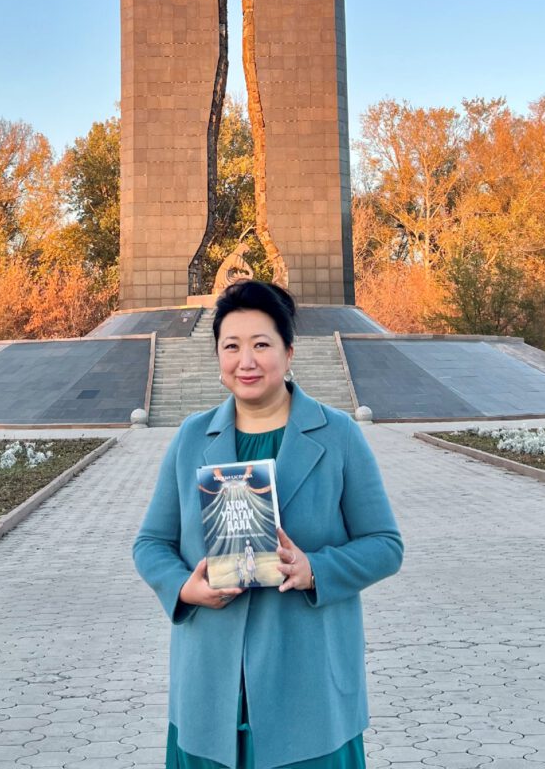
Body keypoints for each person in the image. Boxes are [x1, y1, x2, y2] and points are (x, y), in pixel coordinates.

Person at [133, 281, 403, 769]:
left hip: (309, 694)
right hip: (209, 694)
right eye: (231, 346)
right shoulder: (193, 437)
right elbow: (151, 543)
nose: (246, 360)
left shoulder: (338, 435)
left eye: (261, 344)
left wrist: (314, 569)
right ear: (218, 357)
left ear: (289, 351)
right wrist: (183, 589)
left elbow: (385, 545)